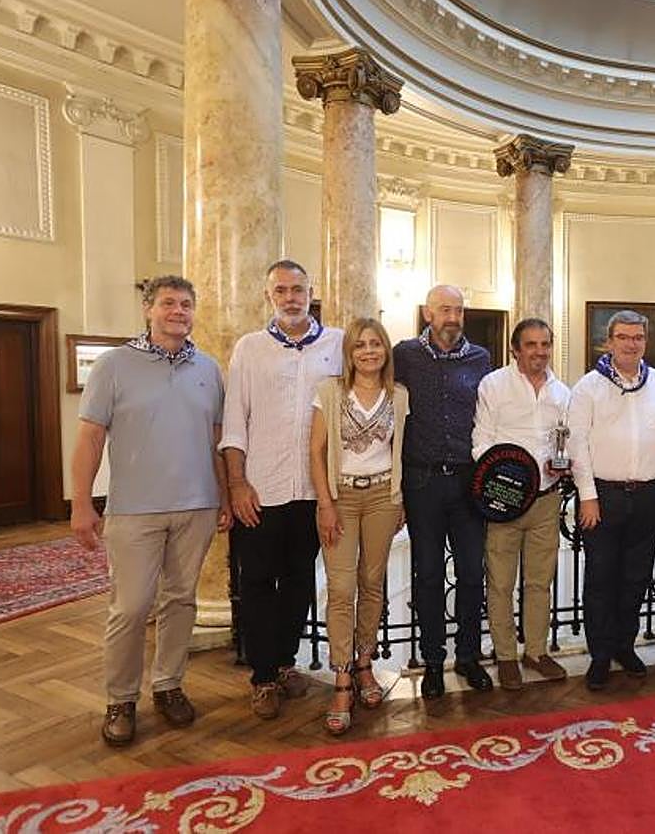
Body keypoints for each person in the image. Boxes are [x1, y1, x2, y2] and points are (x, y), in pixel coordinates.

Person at [70, 275, 229, 747]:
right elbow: (89, 438)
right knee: (132, 606)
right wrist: (81, 503)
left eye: (186, 304)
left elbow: (217, 441)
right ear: (148, 310)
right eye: (168, 303)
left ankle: (168, 685)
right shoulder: (114, 365)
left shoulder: (209, 368)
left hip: (197, 506)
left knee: (181, 601)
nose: (178, 311)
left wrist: (224, 496)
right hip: (134, 511)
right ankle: (121, 699)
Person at [221, 260, 343, 720]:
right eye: (281, 291)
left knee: (299, 580)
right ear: (269, 295)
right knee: (256, 581)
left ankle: (286, 660)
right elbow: (235, 421)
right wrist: (237, 483)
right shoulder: (250, 348)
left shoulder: (336, 345)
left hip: (313, 489)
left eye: (298, 290)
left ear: (311, 292)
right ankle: (263, 676)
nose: (290, 298)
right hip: (262, 488)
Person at [567, 309, 655, 691]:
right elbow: (577, 444)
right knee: (601, 577)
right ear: (609, 342)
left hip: (647, 495)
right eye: (624, 337)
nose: (631, 344)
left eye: (638, 337)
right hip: (603, 496)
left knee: (636, 576)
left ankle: (624, 646)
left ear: (645, 342)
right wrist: (588, 497)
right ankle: (600, 654)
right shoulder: (588, 387)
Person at [309, 318, 407, 734]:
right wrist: (325, 504)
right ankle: (342, 676)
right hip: (342, 498)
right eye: (360, 345)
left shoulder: (399, 395)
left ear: (385, 350)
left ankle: (365, 662)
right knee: (341, 587)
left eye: (375, 344)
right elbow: (316, 451)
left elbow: (401, 449)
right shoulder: (330, 392)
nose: (369, 351)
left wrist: (400, 499)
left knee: (371, 583)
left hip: (384, 496)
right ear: (349, 353)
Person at [394, 284, 493, 698]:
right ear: (428, 314)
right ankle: (433, 661)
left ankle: (468, 656)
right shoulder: (404, 356)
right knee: (429, 574)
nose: (453, 318)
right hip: (423, 481)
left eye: (458, 310)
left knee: (471, 573)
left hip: (468, 481)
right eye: (445, 310)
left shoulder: (481, 358)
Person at [472, 318, 572, 690]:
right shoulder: (494, 385)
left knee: (539, 582)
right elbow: (481, 441)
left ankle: (536, 651)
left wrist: (563, 463)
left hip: (546, 500)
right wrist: (504, 477)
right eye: (531, 344)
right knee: (500, 583)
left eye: (545, 344)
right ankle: (506, 657)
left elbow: (565, 441)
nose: (539, 352)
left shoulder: (562, 393)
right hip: (505, 501)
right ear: (515, 350)